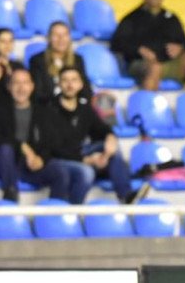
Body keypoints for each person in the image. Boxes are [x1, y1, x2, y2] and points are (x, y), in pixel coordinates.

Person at [49, 67, 144, 204]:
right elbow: (54, 148)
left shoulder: (84, 108)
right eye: (65, 80)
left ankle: (126, 196)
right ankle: (73, 209)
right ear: (59, 84)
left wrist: (110, 138)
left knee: (111, 148)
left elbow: (102, 129)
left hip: (81, 152)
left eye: (74, 80)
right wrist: (86, 159)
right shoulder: (49, 109)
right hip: (59, 158)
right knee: (87, 172)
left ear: (80, 84)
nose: (70, 85)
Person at [0, 66, 82, 204]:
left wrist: (41, 159)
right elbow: (1, 137)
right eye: (16, 83)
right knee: (5, 149)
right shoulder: (0, 109)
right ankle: (10, 197)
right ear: (9, 86)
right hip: (4, 164)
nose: (21, 88)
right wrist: (23, 146)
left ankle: (55, 211)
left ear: (32, 86)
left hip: (29, 166)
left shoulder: (43, 112)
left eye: (25, 83)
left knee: (60, 172)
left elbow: (50, 143)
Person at [110, 0, 185, 91]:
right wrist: (139, 50)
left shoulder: (171, 18)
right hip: (141, 63)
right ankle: (148, 102)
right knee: (155, 68)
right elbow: (117, 43)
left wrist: (180, 48)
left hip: (168, 63)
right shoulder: (132, 18)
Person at [27, 20, 91, 104]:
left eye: (65, 35)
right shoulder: (37, 60)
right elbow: (37, 93)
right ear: (49, 38)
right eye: (56, 35)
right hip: (48, 106)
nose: (61, 39)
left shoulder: (78, 60)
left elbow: (86, 90)